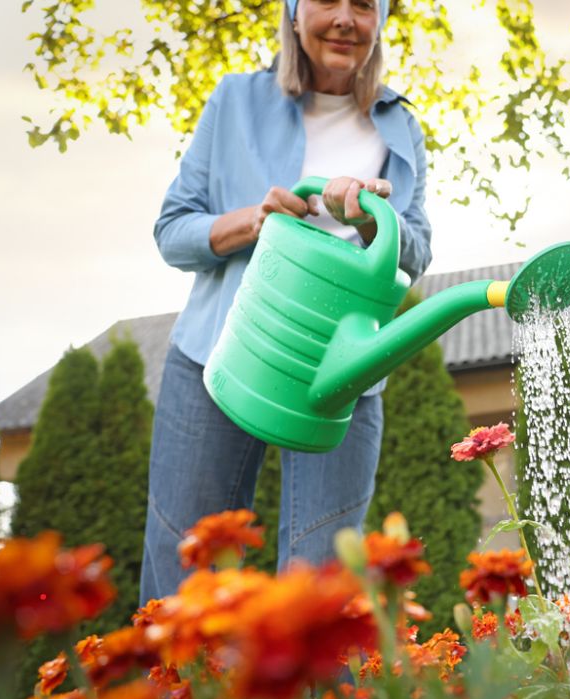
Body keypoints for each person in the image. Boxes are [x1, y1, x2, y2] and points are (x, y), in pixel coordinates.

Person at [139, 0, 431, 603]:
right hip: (219, 354)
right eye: (328, 1)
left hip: (339, 368)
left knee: (325, 588)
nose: (347, 18)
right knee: (185, 571)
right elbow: (174, 229)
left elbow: (417, 248)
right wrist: (256, 219)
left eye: (365, 5)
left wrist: (376, 224)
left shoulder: (401, 127)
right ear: (294, 13)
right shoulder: (234, 101)